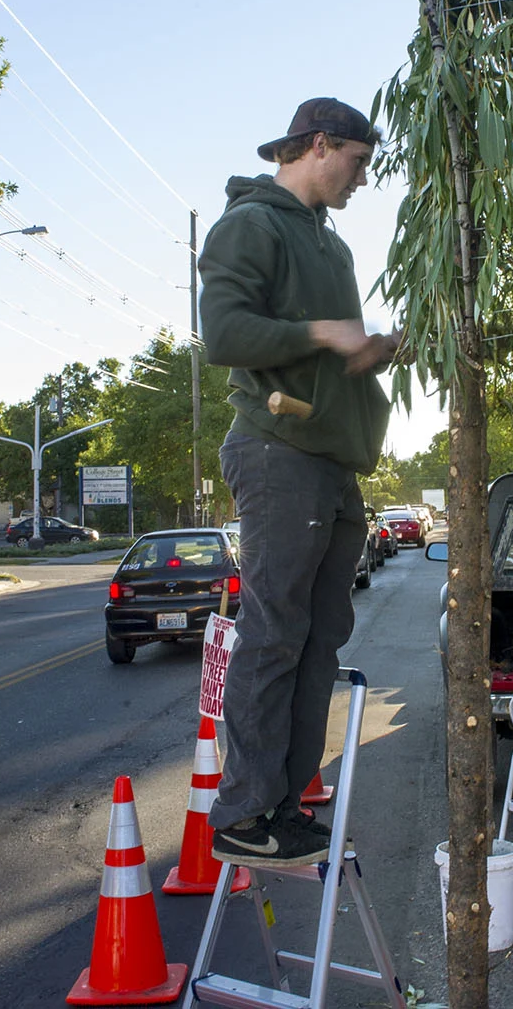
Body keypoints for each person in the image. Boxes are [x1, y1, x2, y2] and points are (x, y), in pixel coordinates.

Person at [198, 97, 398, 866]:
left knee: (319, 641)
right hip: (278, 453)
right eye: (357, 162)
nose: (361, 179)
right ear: (319, 144)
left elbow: (325, 352)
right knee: (274, 631)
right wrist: (324, 333)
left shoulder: (332, 247)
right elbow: (225, 334)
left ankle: (284, 803)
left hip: (332, 460)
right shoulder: (250, 224)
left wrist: (365, 352)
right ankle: (243, 812)